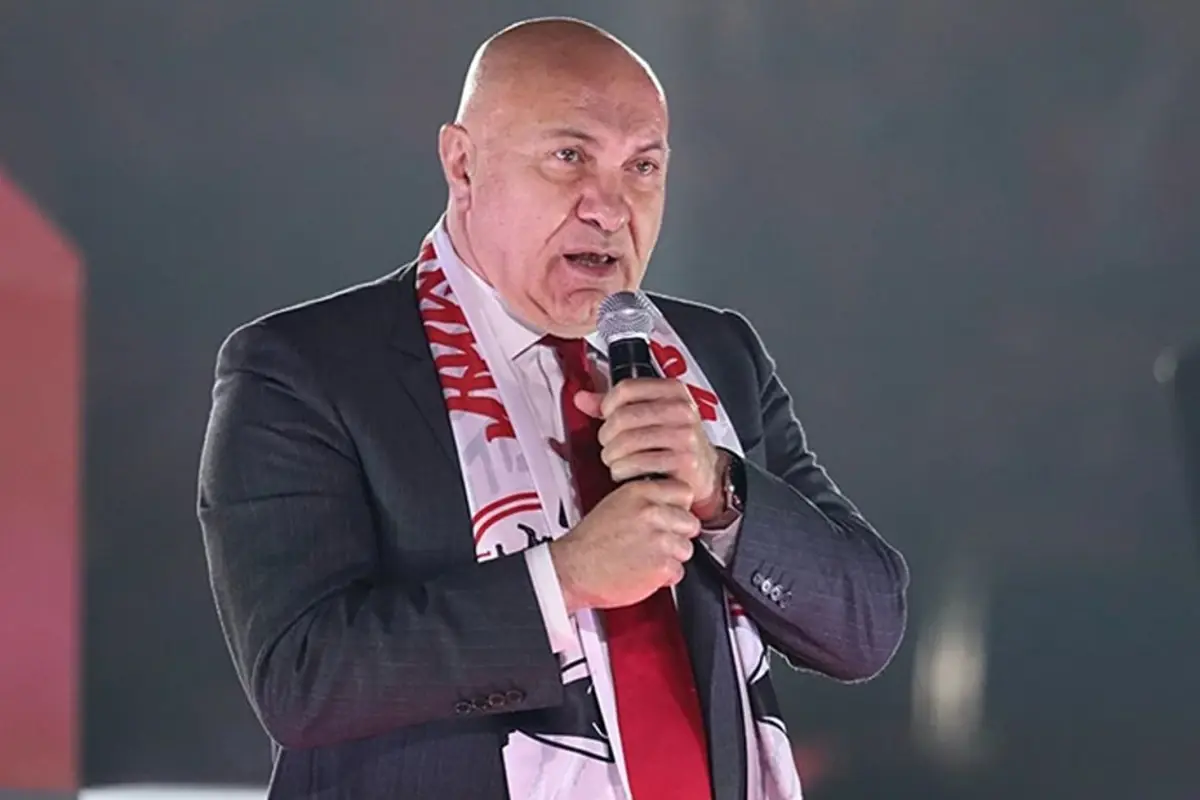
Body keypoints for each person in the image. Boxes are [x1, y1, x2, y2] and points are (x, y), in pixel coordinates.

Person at [198, 16, 909, 800]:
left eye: (642, 166)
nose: (610, 207)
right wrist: (562, 578)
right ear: (463, 166)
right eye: (570, 157)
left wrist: (720, 490)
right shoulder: (307, 369)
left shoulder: (718, 357)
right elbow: (303, 679)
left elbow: (866, 626)